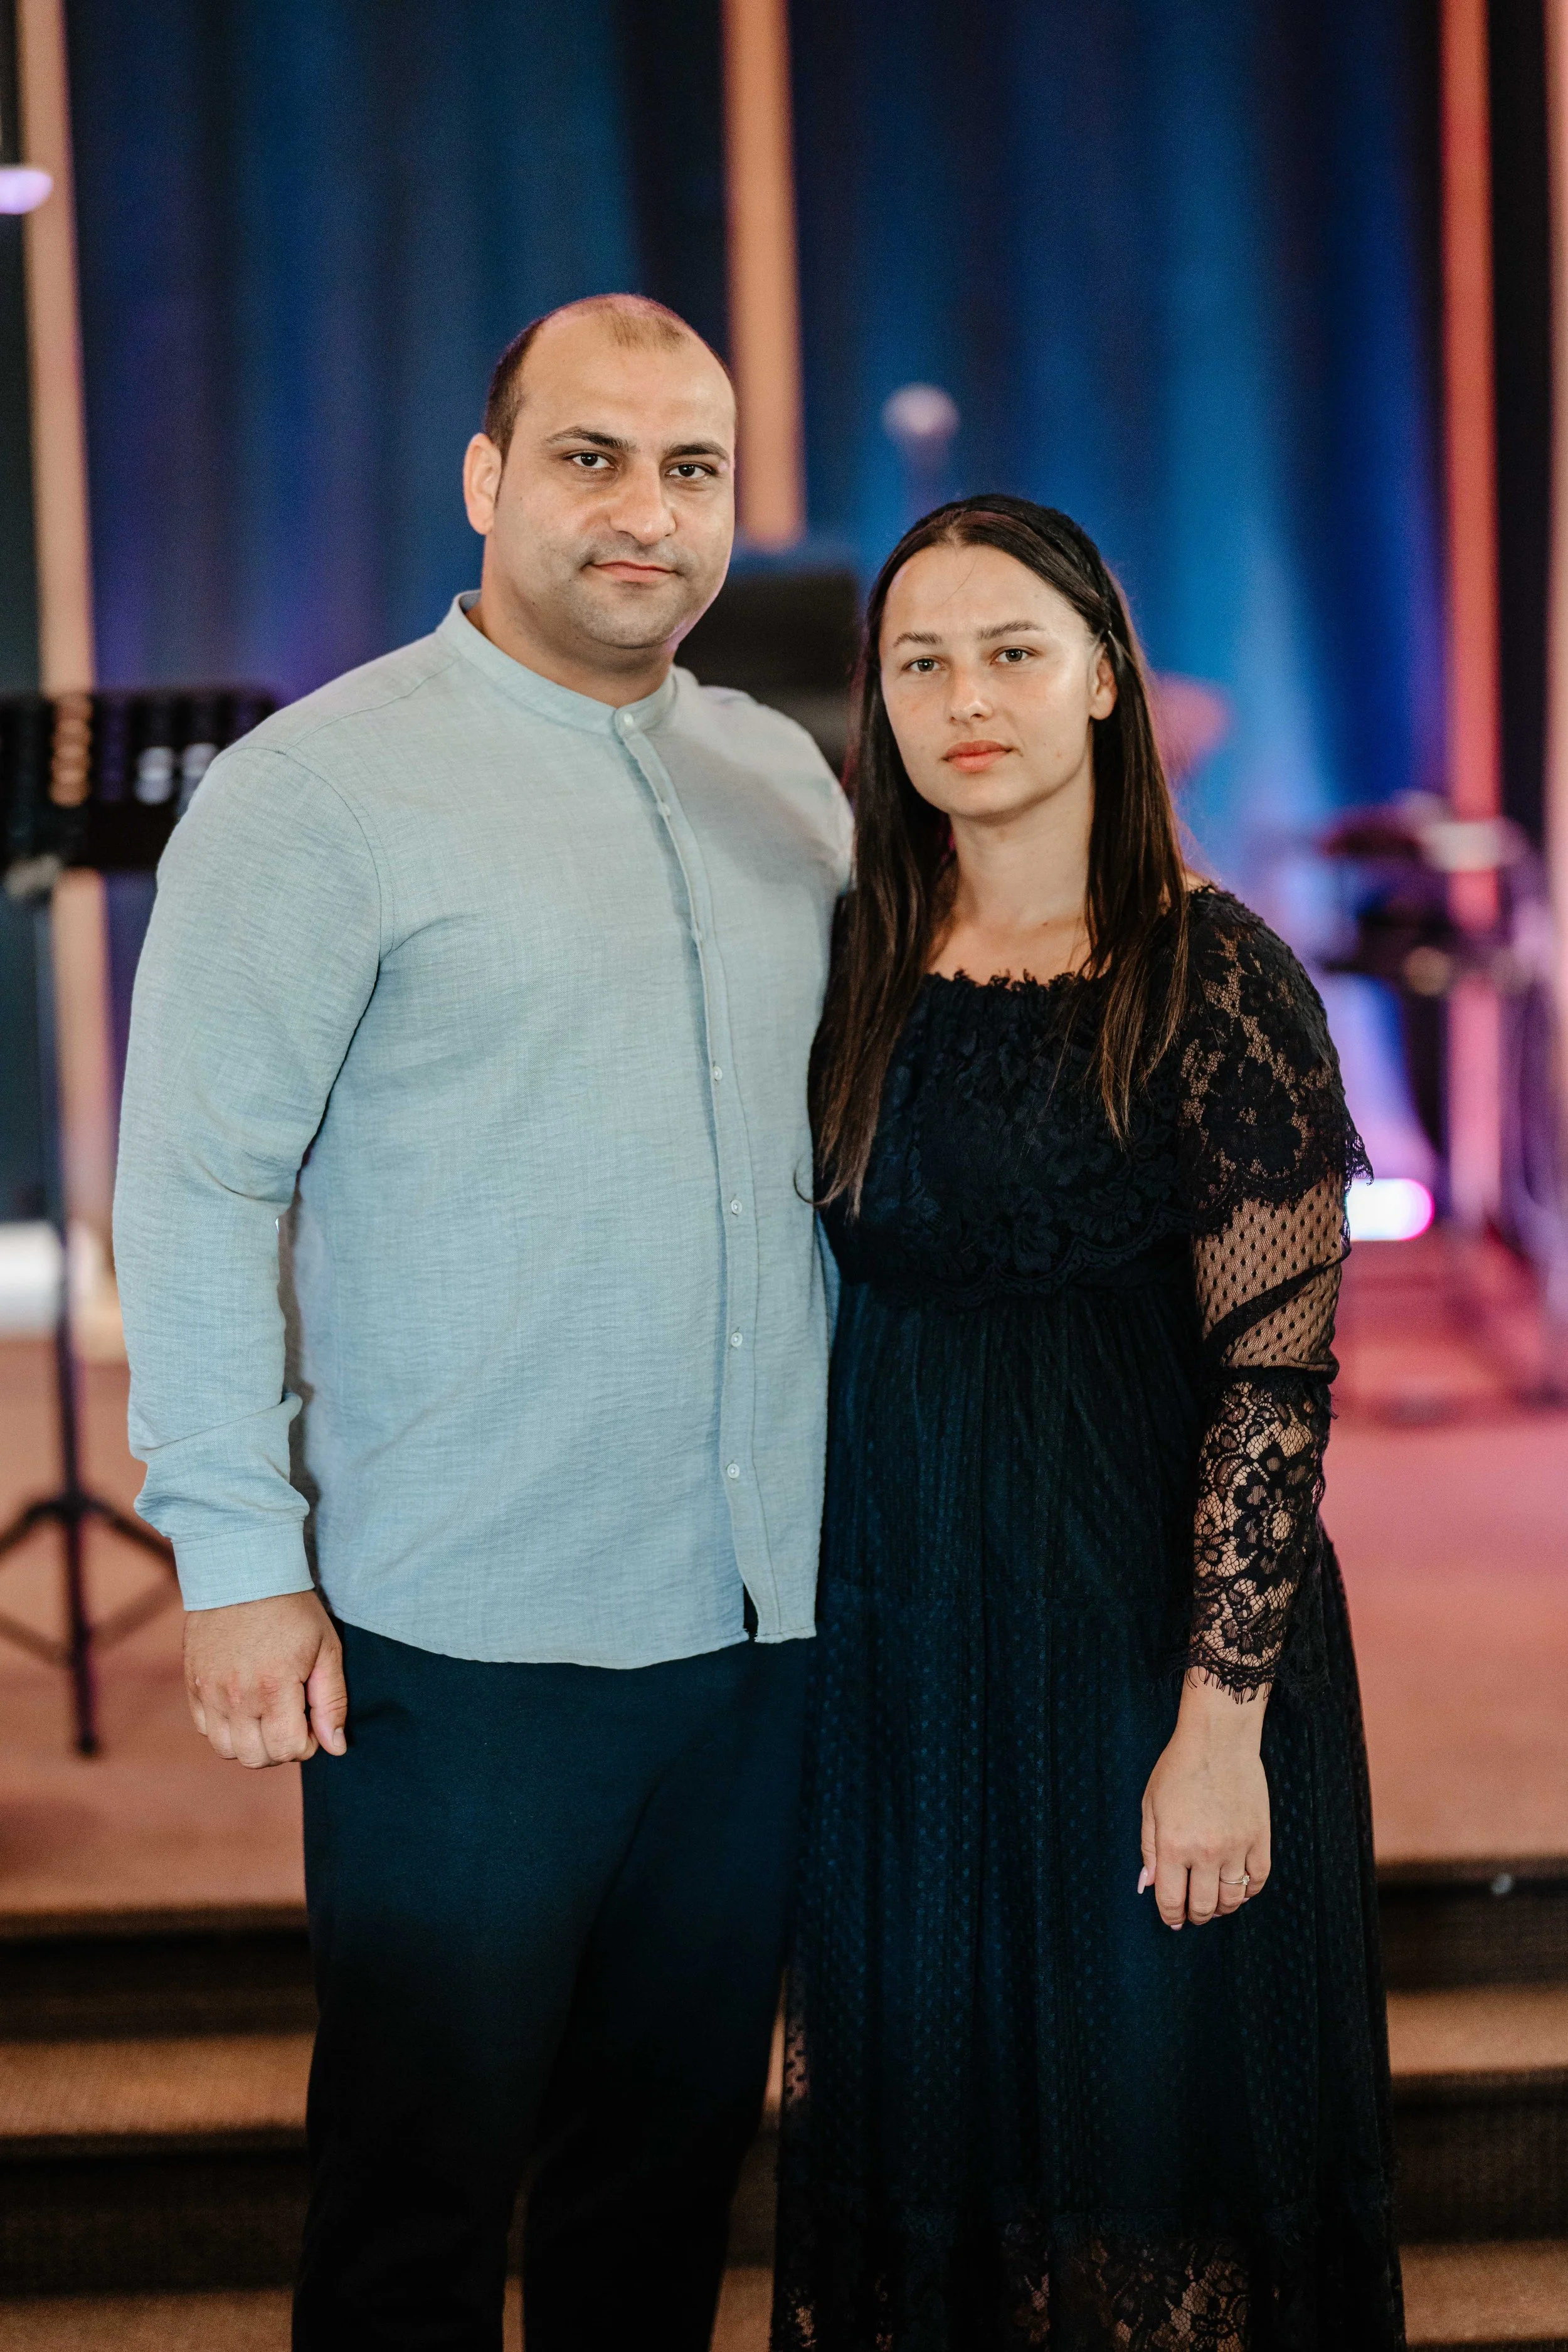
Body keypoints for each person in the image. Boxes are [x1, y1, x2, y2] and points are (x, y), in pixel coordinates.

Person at [112, 294, 851, 2351]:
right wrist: (238, 1562)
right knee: (416, 2205)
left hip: (763, 1630)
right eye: (591, 457)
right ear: (486, 480)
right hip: (460, 1646)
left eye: (688, 468)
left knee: (669, 2176)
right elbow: (193, 1186)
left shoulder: (788, 780)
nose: (644, 512)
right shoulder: (314, 792)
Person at [773, 496, 1403, 2350]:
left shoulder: (1215, 975)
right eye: (920, 662)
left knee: (1145, 2142)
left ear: (1106, 686)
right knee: (935, 2145)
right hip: (902, 1643)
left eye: (1011, 652)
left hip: (1140, 1643)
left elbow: (1272, 1390)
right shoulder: (857, 965)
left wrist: (1224, 1724)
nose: (965, 697)